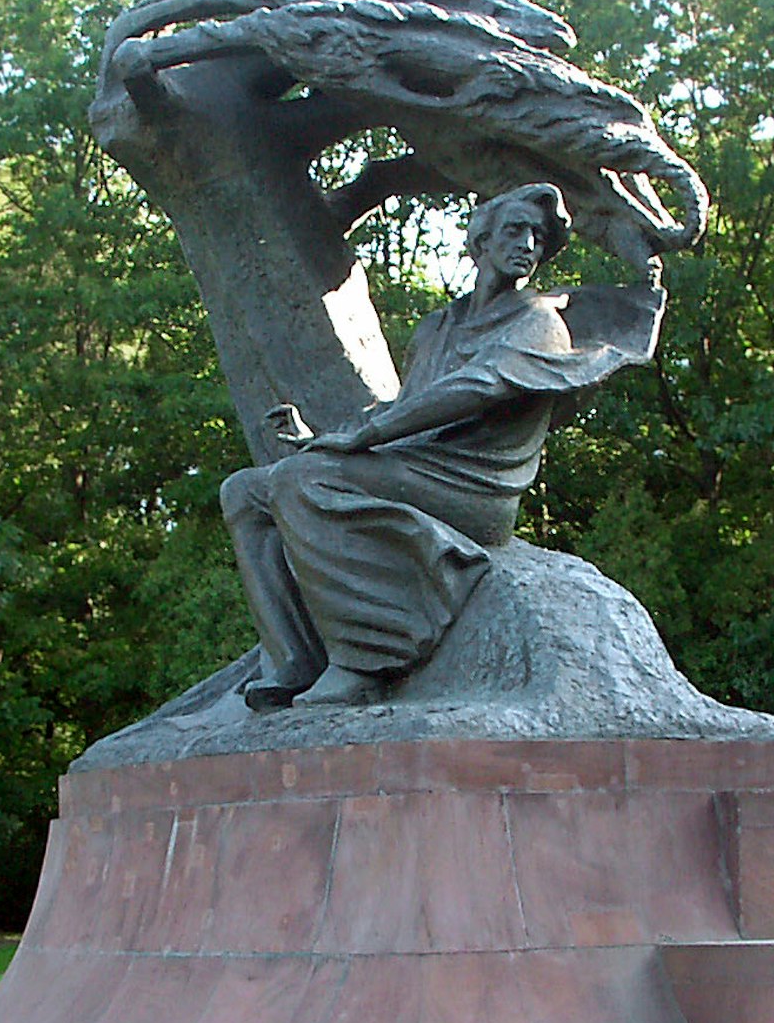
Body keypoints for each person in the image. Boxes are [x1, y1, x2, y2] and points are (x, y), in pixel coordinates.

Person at [219, 181, 657, 708]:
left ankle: (363, 660)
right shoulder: (436, 328)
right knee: (245, 491)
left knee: (299, 480)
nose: (528, 245)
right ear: (481, 241)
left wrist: (363, 440)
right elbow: (406, 406)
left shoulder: (538, 321)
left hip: (474, 486)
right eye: (515, 230)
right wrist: (324, 439)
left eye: (538, 237)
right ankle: (293, 660)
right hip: (417, 465)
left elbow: (477, 387)